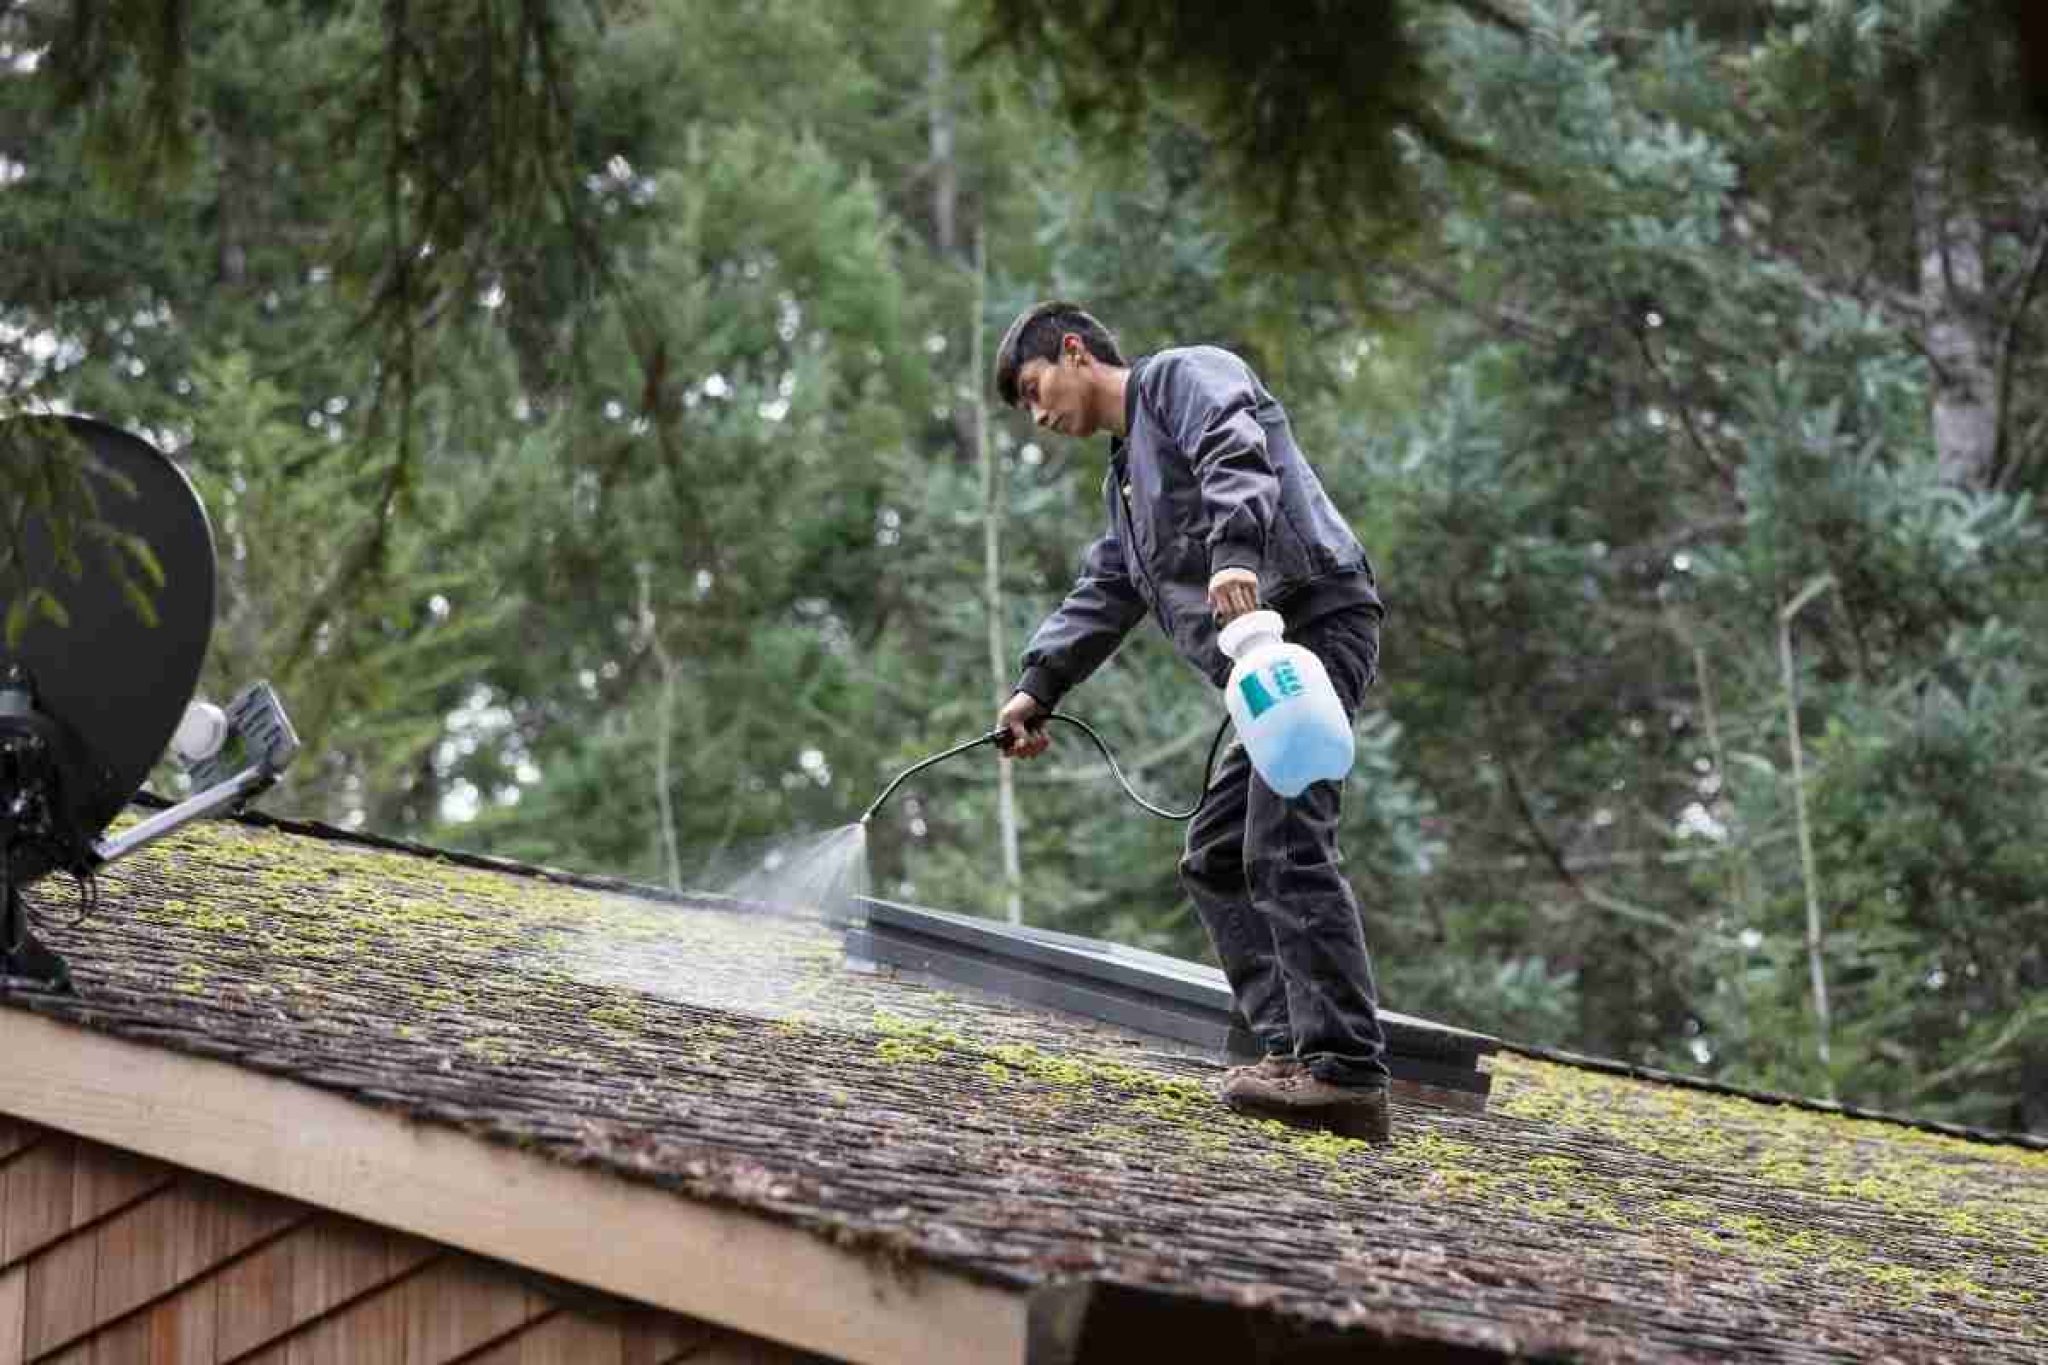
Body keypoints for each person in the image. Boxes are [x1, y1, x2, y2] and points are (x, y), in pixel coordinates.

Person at [991, 301, 1394, 1144]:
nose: (1039, 416)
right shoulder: (1127, 488)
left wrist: (1236, 557)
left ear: (1074, 352)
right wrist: (1040, 686)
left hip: (1310, 621)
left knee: (1284, 841)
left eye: (1035, 389)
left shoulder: (1180, 377)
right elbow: (1107, 589)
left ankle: (1347, 1070)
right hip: (1263, 674)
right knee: (1217, 854)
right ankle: (1294, 1055)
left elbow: (1234, 451)